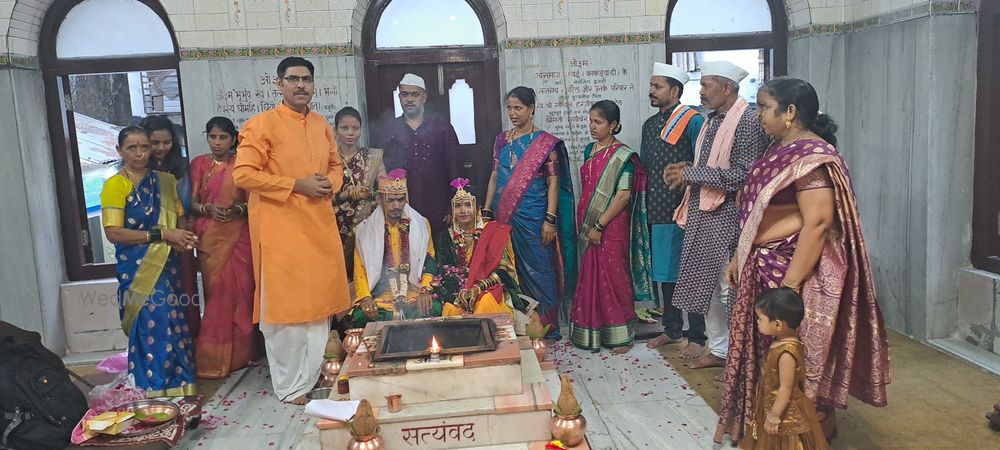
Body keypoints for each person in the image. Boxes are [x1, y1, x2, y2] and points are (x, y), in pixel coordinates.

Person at [716, 77, 890, 442]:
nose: (759, 114)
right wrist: (739, 254)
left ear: (790, 112)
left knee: (791, 357)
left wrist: (790, 288)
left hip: (791, 270)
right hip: (762, 263)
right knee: (767, 353)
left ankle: (800, 436)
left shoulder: (812, 158)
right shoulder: (780, 148)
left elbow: (819, 222)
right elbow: (757, 212)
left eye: (764, 107)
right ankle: (764, 430)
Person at [233, 56, 351, 404]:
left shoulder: (320, 125)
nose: (301, 85)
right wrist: (296, 185)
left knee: (319, 307)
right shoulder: (262, 125)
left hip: (318, 227)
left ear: (314, 85)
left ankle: (312, 376)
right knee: (286, 312)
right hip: (280, 231)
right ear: (278, 83)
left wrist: (329, 183)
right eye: (293, 79)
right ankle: (290, 387)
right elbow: (243, 175)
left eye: (306, 79)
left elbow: (335, 166)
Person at [663, 61, 769, 366]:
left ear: (728, 88)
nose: (701, 90)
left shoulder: (747, 121)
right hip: (702, 212)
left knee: (726, 287)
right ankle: (719, 349)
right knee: (706, 287)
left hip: (727, 216)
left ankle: (736, 352)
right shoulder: (712, 120)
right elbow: (711, 166)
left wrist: (692, 175)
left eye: (706, 84)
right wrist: (689, 171)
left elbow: (743, 175)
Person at [101, 126, 199, 396]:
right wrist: (163, 234)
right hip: (137, 268)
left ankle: (181, 383)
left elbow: (179, 216)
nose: (140, 153)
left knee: (174, 320)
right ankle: (152, 386)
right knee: (150, 321)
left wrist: (180, 237)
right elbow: (113, 233)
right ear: (120, 151)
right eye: (132, 148)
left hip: (167, 264)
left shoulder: (166, 182)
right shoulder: (115, 185)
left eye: (144, 146)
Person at [483, 86, 577, 341]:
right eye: (510, 108)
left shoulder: (545, 143)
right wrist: (487, 210)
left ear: (532, 108)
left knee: (541, 270)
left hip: (536, 217)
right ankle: (520, 325)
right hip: (504, 218)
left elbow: (553, 184)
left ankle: (547, 327)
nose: (513, 113)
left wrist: (550, 219)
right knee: (509, 271)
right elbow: (493, 176)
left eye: (518, 108)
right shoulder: (501, 140)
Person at [569, 100, 652, 353]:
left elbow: (622, 196)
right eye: (591, 121)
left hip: (611, 226)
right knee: (590, 277)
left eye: (599, 122)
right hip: (588, 223)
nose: (592, 127)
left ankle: (621, 336)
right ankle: (592, 333)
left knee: (614, 278)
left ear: (613, 125)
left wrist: (599, 225)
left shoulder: (623, 156)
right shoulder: (589, 150)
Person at [638, 63, 707, 347]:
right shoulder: (650, 125)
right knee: (667, 273)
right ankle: (672, 329)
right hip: (657, 209)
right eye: (651, 86)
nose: (651, 91)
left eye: (657, 87)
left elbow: (705, 164)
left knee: (689, 273)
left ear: (675, 90)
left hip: (685, 210)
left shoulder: (692, 121)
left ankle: (698, 335)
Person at [189, 116, 258, 379]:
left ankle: (242, 356)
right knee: (217, 296)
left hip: (239, 236)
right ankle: (213, 359)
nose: (217, 143)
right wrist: (209, 209)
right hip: (210, 239)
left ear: (234, 139)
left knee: (242, 295)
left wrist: (234, 210)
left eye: (223, 137)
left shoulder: (243, 164)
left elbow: (252, 202)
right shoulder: (199, 165)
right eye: (212, 137)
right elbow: (192, 203)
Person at [739, 288, 829, 450]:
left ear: (778, 324)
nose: (757, 322)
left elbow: (786, 387)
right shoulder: (780, 341)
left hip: (784, 410)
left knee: (784, 442)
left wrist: (774, 416)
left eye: (760, 319)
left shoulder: (787, 352)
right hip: (771, 403)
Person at [351, 169, 439, 327]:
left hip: (413, 293)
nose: (396, 206)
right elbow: (360, 270)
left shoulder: (420, 224)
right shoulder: (365, 230)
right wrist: (365, 297)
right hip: (381, 297)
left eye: (400, 199)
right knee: (360, 316)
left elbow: (429, 260)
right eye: (390, 200)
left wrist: (425, 289)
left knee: (434, 308)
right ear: (379, 199)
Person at [377, 73, 462, 233]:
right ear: (399, 97)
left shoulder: (442, 128)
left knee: (438, 254)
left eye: (415, 94)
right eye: (404, 94)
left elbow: (454, 167)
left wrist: (453, 205)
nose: (409, 99)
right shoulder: (389, 129)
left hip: (438, 207)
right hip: (400, 208)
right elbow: (381, 172)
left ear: (424, 97)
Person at [140, 115, 200, 337]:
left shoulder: (182, 167)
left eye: (167, 142)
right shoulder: (136, 170)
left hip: (179, 239)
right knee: (154, 302)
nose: (162, 148)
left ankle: (186, 347)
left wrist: (184, 230)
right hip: (148, 243)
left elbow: (186, 204)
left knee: (184, 293)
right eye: (155, 143)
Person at [435, 178, 524, 318]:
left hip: (489, 289)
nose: (463, 211)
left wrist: (478, 288)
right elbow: (444, 270)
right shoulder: (446, 236)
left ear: (477, 207)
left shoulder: (494, 231)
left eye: (468, 205)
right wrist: (461, 292)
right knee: (450, 308)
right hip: (459, 292)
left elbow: (503, 270)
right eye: (457, 206)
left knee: (484, 303)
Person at [332, 106, 387, 278]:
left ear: (360, 130)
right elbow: (319, 198)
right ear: (335, 131)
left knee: (367, 274)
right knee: (338, 276)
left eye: (355, 128)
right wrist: (346, 194)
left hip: (367, 224)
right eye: (344, 128)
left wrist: (370, 195)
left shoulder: (372, 157)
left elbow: (385, 189)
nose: (350, 133)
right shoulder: (328, 159)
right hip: (335, 227)